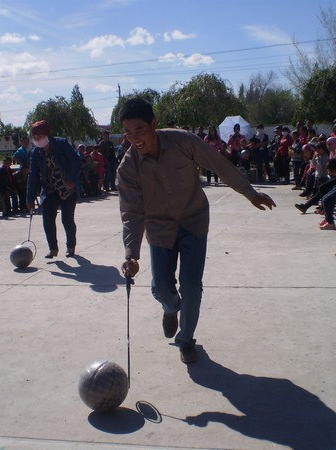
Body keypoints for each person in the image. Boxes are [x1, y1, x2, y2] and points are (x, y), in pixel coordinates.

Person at [117, 97, 276, 364]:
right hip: (159, 229)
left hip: (193, 222)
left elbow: (219, 165)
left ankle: (186, 339)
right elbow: (131, 213)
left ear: (154, 124)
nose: (135, 138)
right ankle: (171, 308)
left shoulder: (183, 142)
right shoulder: (128, 168)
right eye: (128, 132)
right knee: (162, 289)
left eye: (139, 130)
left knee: (191, 286)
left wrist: (249, 193)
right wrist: (131, 254)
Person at [26, 119, 82, 258]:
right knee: (47, 219)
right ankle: (53, 249)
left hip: (67, 188)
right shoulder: (36, 153)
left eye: (40, 136)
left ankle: (70, 246)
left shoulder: (61, 144)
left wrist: (72, 179)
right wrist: (30, 198)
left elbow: (76, 161)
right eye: (35, 137)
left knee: (67, 219)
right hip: (50, 189)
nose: (37, 139)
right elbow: (33, 175)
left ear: (47, 135)